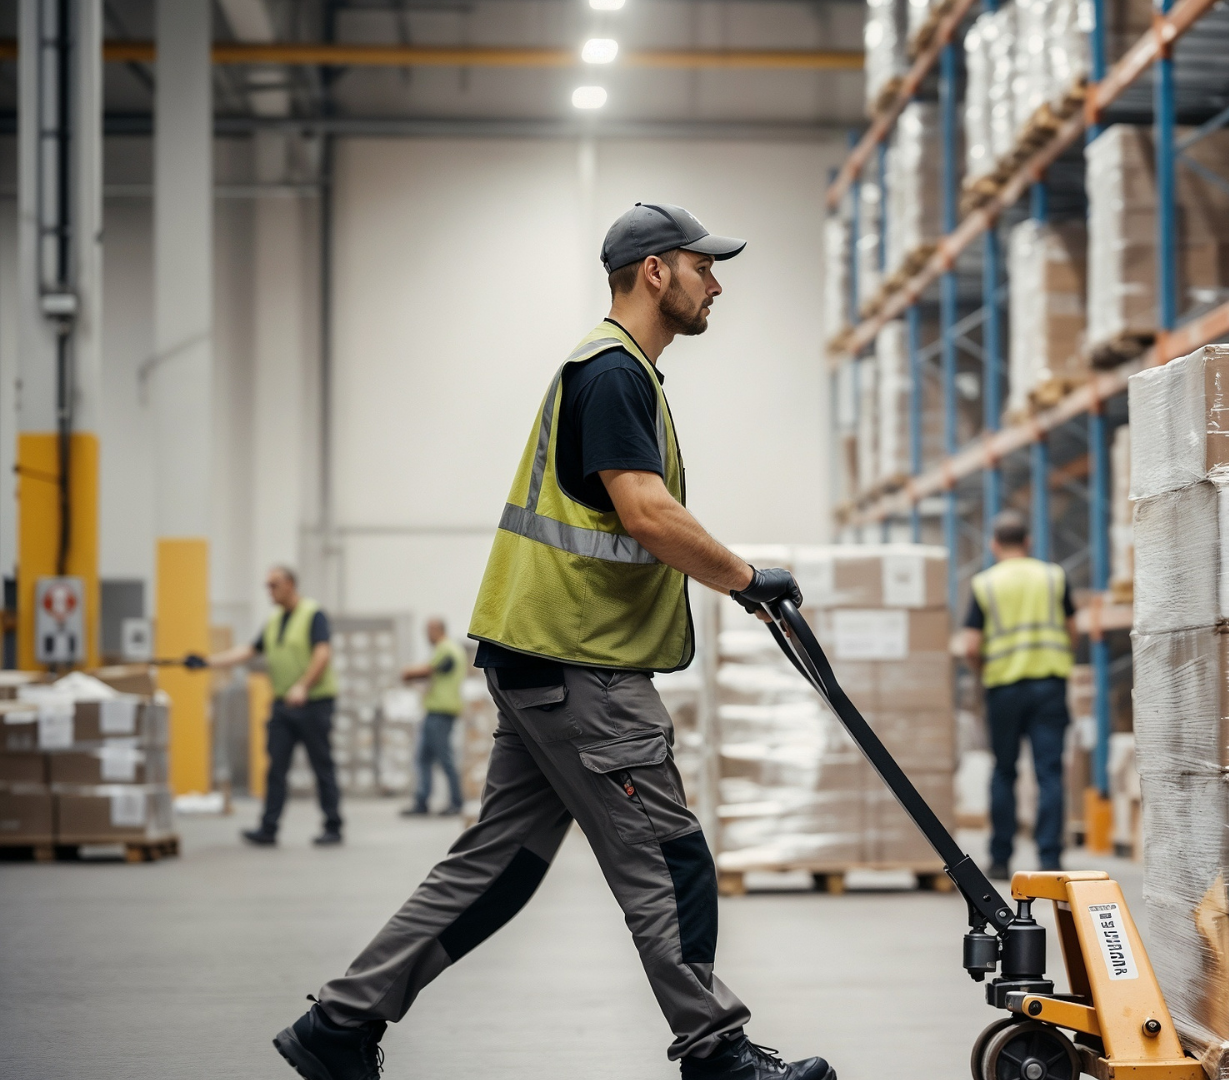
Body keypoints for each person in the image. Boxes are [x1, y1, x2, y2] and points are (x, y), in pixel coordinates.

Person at [269, 202, 830, 1080]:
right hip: (581, 667)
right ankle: (717, 1050)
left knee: (501, 865)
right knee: (668, 856)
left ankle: (339, 1026)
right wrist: (744, 578)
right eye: (702, 267)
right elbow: (646, 512)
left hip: (538, 660)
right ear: (655, 273)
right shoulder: (613, 373)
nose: (715, 283)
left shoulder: (612, 371)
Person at [960, 511, 1078, 881]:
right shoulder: (1053, 576)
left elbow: (971, 644)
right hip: (1049, 685)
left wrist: (985, 673)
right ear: (1028, 542)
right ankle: (1050, 858)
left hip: (1004, 688)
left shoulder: (985, 584)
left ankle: (999, 858)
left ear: (995, 544)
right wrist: (1058, 659)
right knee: (1050, 772)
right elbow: (1072, 629)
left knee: (1004, 771)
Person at [201, 566, 343, 847]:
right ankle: (268, 828)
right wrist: (208, 662)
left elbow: (322, 653)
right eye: (267, 585)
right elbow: (249, 650)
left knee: (321, 765)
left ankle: (333, 826)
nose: (269, 591)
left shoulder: (313, 614)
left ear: (290, 584)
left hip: (314, 703)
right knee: (276, 767)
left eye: (274, 585)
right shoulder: (274, 620)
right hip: (283, 705)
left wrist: (303, 686)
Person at [398, 618, 466, 818]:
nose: (426, 636)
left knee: (444, 758)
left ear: (437, 630)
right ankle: (422, 801)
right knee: (423, 758)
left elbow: (428, 670)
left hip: (441, 712)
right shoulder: (448, 649)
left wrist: (408, 672)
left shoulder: (447, 649)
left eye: (428, 631)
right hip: (434, 712)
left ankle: (456, 802)